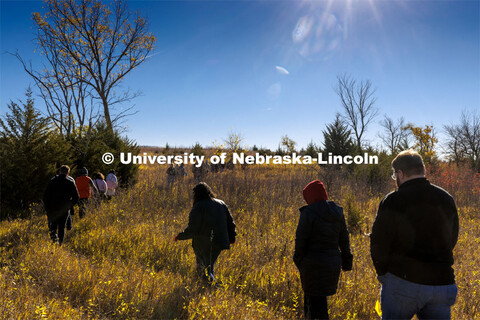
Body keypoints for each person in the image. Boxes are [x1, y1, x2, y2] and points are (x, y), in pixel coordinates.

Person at [370, 150, 459, 320]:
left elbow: (379, 242)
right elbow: (452, 238)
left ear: (400, 174)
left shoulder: (393, 200)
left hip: (402, 282)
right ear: (422, 170)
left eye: (394, 175)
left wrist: (383, 274)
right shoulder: (446, 198)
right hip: (442, 283)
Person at [294, 180, 353, 320]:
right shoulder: (337, 212)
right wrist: (346, 262)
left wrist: (298, 261)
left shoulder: (308, 213)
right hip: (332, 264)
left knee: (312, 305)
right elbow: (344, 240)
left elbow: (300, 241)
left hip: (311, 265)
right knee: (320, 303)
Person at [175, 182, 236, 283]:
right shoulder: (221, 203)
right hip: (220, 242)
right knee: (209, 266)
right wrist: (232, 238)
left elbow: (193, 228)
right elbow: (231, 223)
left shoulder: (198, 206)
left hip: (203, 243)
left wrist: (180, 236)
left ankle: (213, 286)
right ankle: (207, 288)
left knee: (203, 269)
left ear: (196, 194)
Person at [43, 165, 79, 245]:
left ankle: (54, 240)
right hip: (64, 209)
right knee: (62, 227)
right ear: (68, 173)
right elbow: (76, 197)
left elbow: (45, 196)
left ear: (60, 171)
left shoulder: (52, 181)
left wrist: (47, 207)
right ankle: (60, 244)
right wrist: (69, 206)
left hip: (53, 208)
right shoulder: (70, 182)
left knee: (53, 226)